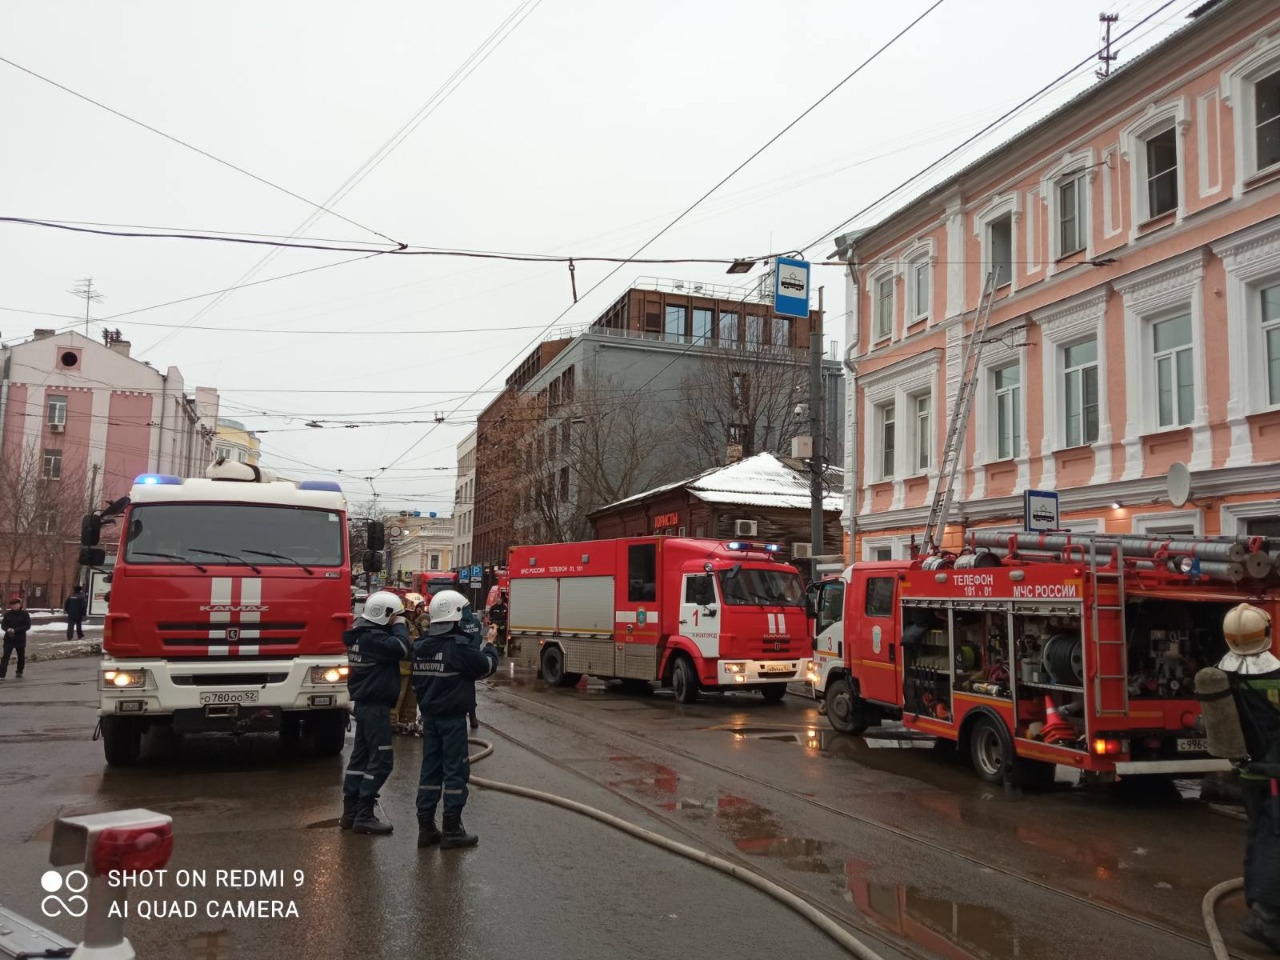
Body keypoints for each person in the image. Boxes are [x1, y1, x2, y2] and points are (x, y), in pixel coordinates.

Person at [412, 589, 499, 849]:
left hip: (429, 718)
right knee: (455, 772)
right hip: (451, 721)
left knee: (429, 772)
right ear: (454, 616)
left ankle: (426, 828)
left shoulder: (421, 646)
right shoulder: (458, 648)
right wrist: (491, 644)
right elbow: (486, 667)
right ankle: (452, 829)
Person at [1218, 603, 1280, 952]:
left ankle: (1258, 903)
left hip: (1248, 772)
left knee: (1259, 834)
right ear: (1266, 633)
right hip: (1276, 772)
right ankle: (1268, 916)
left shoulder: (1222, 676)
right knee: (1276, 838)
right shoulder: (1277, 675)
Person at [339, 590, 410, 836]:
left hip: (364, 705)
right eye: (394, 616)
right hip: (376, 707)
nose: (396, 620)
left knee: (360, 758)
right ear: (385, 615)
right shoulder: (375, 640)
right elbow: (401, 648)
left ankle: (350, 811)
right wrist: (400, 625)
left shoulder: (359, 635)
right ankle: (365, 813)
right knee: (381, 761)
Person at [393, 593, 427, 735]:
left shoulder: (413, 623)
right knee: (397, 698)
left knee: (410, 700)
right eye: (420, 607)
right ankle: (391, 724)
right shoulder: (402, 623)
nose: (422, 610)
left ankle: (408, 723)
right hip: (401, 667)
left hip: (412, 667)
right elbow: (410, 642)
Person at [1, 596, 31, 680]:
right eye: (12, 605)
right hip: (8, 638)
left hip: (20, 638)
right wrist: (7, 629)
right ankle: (2, 674)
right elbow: (3, 625)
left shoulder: (25, 614)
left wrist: (16, 630)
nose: (14, 606)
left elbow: (27, 626)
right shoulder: (7, 614)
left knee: (21, 656)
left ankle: (19, 671)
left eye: (15, 604)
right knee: (5, 656)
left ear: (20, 605)